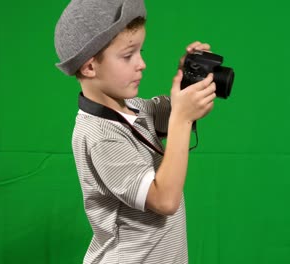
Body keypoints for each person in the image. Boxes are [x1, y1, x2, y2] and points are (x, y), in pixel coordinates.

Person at [54, 0, 216, 263]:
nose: (142, 64)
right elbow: (164, 200)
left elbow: (181, 110)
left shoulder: (134, 109)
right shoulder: (99, 136)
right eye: (128, 55)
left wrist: (190, 79)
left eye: (140, 51)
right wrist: (182, 119)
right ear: (90, 67)